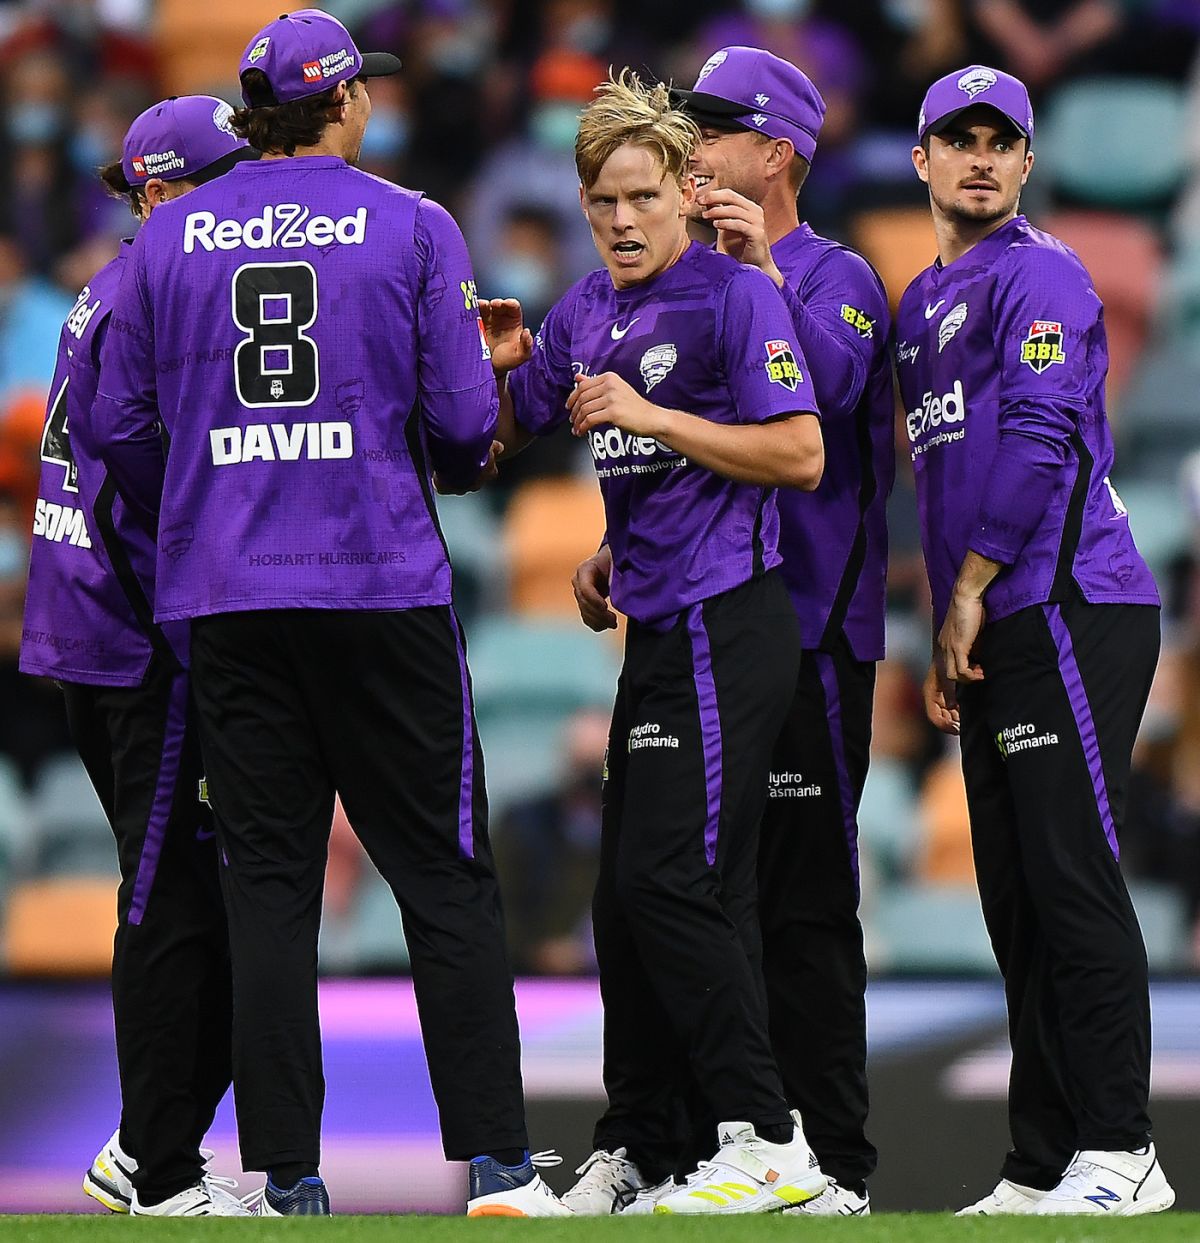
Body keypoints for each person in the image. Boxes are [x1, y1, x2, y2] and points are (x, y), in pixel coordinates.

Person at [90, 8, 565, 1219]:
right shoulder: (413, 222)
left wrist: (211, 502)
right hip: (379, 585)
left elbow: (120, 430)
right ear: (347, 103)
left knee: (268, 892)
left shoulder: (165, 239)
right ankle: (502, 1168)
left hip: (228, 602)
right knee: (446, 878)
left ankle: (288, 1180)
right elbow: (463, 431)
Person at [482, 68, 828, 1216]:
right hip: (657, 627)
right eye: (602, 204)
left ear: (687, 189)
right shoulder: (585, 310)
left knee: (664, 875)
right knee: (625, 901)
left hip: (734, 620)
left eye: (641, 196)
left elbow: (799, 456)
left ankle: (766, 1135)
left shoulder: (737, 299)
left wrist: (650, 414)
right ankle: (638, 1147)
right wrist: (485, 372)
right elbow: (500, 435)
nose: (622, 221)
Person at [567, 45, 893, 1218]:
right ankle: (683, 1142)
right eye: (688, 127)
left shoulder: (835, 274)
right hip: (697, 610)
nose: (694, 146)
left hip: (807, 632)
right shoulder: (677, 280)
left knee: (798, 905)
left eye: (718, 126)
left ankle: (829, 1160)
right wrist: (623, 532)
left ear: (782, 152)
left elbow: (819, 409)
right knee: (665, 889)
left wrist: (764, 272)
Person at [896, 65, 1172, 1216]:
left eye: (997, 141)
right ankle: (1042, 1156)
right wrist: (947, 618)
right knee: (1013, 895)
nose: (978, 157)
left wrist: (964, 593)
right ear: (920, 161)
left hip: (1066, 602)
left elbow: (1045, 439)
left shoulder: (1044, 276)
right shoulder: (918, 304)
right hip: (992, 613)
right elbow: (936, 473)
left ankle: (1124, 1149)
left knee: (1070, 874)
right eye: (955, 139)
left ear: (1024, 161)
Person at [18, 95, 256, 1218]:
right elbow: (126, 452)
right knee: (168, 900)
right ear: (166, 195)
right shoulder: (156, 297)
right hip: (137, 643)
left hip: (88, 628)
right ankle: (159, 1170)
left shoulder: (110, 287)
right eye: (227, 187)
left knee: (186, 897)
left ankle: (143, 1145)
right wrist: (206, 585)